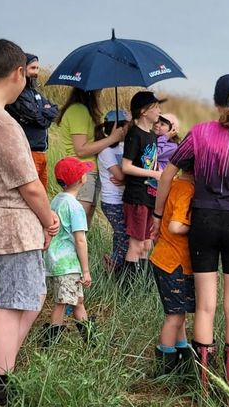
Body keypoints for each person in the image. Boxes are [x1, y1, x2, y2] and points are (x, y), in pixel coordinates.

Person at [154, 74, 229, 390]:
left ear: (216, 102)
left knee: (205, 306)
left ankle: (203, 382)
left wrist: (157, 215)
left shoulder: (200, 134)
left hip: (203, 223)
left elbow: (167, 176)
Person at [0, 39, 59, 406]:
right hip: (12, 222)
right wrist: (49, 219)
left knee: (30, 299)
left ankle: (2, 369)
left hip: (4, 221)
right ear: (19, 72)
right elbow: (29, 185)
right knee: (13, 303)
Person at [41, 157, 95, 347]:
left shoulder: (56, 200)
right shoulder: (75, 206)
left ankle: (91, 341)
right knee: (62, 303)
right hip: (68, 264)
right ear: (81, 179)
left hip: (54, 261)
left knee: (77, 300)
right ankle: (49, 343)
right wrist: (86, 270)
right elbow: (80, 240)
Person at [54, 88, 127, 224]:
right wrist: (111, 139)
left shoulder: (85, 111)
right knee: (78, 221)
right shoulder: (78, 110)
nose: (100, 94)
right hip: (82, 170)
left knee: (85, 221)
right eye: (98, 91)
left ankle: (80, 245)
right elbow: (81, 150)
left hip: (90, 170)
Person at [149, 166, 195, 376]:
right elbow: (177, 226)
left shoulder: (176, 183)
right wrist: (199, 225)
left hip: (166, 259)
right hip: (173, 263)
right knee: (174, 317)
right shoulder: (187, 189)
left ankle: (183, 359)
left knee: (180, 315)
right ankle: (164, 370)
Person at [119, 91, 164, 287]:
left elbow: (152, 163)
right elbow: (126, 166)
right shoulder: (134, 134)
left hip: (150, 195)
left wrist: (159, 172)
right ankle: (127, 289)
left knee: (147, 244)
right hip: (137, 196)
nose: (159, 112)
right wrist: (153, 174)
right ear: (144, 111)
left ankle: (143, 288)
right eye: (155, 107)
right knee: (136, 245)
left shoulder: (152, 135)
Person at [6, 53, 59, 190]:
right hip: (27, 152)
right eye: (33, 68)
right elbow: (37, 119)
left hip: (42, 152)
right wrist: (44, 114)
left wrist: (43, 112)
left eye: (37, 68)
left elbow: (55, 110)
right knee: (33, 195)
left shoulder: (35, 93)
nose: (36, 72)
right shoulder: (18, 93)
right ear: (22, 69)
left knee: (43, 194)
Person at [96, 110, 130, 277]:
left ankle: (117, 270)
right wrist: (127, 178)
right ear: (118, 128)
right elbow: (120, 175)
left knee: (120, 235)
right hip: (112, 201)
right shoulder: (106, 150)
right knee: (124, 235)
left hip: (123, 198)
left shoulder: (124, 146)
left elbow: (125, 176)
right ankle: (112, 264)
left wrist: (126, 179)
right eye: (126, 126)